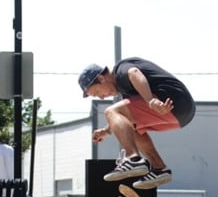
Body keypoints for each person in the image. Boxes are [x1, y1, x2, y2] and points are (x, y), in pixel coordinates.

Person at [78, 57, 195, 189]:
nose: (102, 97)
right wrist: (107, 130)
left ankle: (132, 159)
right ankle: (159, 169)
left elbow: (134, 73)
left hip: (171, 100)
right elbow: (125, 120)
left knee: (110, 111)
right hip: (182, 112)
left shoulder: (120, 71)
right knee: (131, 125)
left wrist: (150, 100)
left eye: (97, 92)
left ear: (101, 79)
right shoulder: (125, 90)